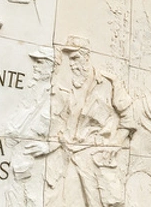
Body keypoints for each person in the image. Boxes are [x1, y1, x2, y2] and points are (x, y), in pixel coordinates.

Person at [50, 36, 136, 207]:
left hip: (96, 155)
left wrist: (114, 144)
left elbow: (129, 118)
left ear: (86, 56)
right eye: (70, 59)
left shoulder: (108, 83)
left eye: (75, 58)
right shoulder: (65, 85)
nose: (72, 65)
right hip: (70, 153)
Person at [6, 47, 56, 207]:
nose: (35, 66)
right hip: (18, 158)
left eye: (40, 62)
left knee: (33, 200)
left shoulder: (57, 94)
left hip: (37, 163)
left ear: (51, 67)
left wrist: (49, 145)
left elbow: (69, 129)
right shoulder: (32, 89)